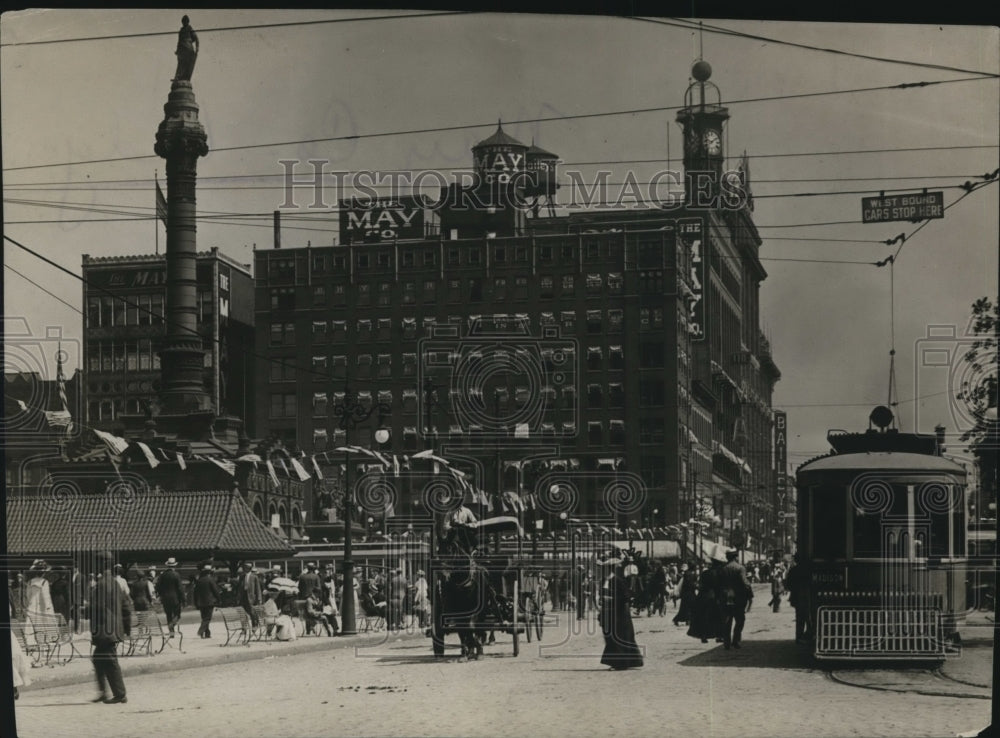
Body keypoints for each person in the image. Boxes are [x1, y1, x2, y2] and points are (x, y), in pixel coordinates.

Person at [89, 550, 131, 704]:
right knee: (98, 659)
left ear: (102, 564)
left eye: (96, 563)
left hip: (105, 631)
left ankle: (120, 694)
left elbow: (97, 608)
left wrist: (83, 610)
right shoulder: (116, 583)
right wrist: (126, 629)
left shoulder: (101, 585)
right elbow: (126, 607)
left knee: (110, 661)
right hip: (113, 630)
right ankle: (104, 692)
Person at [598, 552, 643, 670]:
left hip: (619, 613)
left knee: (619, 636)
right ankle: (619, 661)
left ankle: (620, 663)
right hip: (608, 612)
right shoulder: (603, 581)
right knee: (610, 637)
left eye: (604, 568)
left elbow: (626, 597)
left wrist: (611, 598)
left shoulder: (618, 580)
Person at [716, 549, 753, 650]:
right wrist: (750, 595)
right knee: (740, 619)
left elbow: (717, 584)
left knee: (727, 620)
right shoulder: (740, 568)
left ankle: (726, 643)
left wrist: (718, 597)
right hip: (738, 597)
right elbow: (745, 583)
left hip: (725, 597)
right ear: (736, 557)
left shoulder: (721, 568)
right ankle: (735, 640)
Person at [687, 562, 721, 644]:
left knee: (704, 617)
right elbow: (718, 586)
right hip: (713, 596)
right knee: (717, 617)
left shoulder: (704, 573)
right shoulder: (718, 573)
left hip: (702, 596)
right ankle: (718, 636)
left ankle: (703, 636)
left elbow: (700, 584)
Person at [785, 553, 814, 644]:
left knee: (799, 618)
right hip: (809, 596)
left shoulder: (793, 570)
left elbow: (788, 584)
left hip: (797, 597)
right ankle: (811, 634)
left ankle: (799, 636)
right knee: (809, 617)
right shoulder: (809, 570)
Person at [156, 557, 185, 636]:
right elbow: (180, 588)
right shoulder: (176, 575)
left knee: (168, 614)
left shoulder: (163, 575)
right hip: (175, 598)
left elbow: (158, 586)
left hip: (165, 598)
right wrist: (183, 599)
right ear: (174, 566)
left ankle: (171, 632)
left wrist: (161, 594)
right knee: (177, 615)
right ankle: (172, 624)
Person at [193, 563, 220, 639]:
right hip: (209, 602)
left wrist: (196, 602)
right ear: (210, 572)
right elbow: (215, 591)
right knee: (207, 618)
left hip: (201, 602)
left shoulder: (199, 580)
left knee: (204, 617)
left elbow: (195, 593)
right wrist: (219, 599)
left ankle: (207, 633)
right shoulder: (210, 580)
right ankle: (201, 631)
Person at [172, 15, 199, 82]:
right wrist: (177, 50)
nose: (184, 23)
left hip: (188, 49)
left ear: (187, 22)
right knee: (180, 63)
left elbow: (196, 38)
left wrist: (197, 48)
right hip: (181, 49)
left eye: (185, 21)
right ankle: (178, 77)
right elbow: (179, 41)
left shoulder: (190, 29)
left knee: (186, 64)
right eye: (183, 22)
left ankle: (182, 77)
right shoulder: (181, 31)